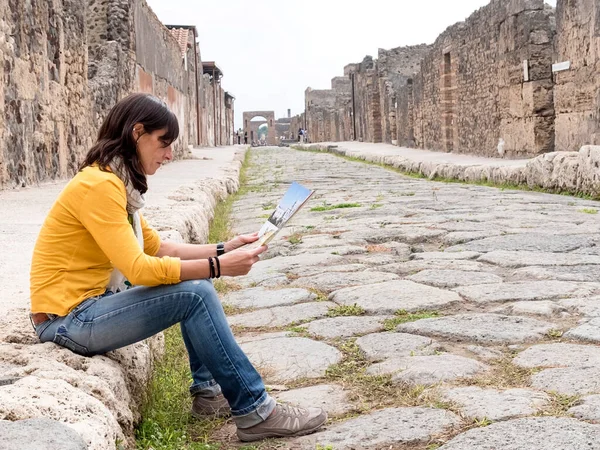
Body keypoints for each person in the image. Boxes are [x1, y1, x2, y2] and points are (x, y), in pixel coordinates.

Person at [29, 93, 327, 442]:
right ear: (137, 132)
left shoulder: (115, 181)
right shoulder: (99, 185)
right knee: (196, 291)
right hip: (67, 321)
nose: (169, 154)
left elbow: (157, 247)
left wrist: (223, 248)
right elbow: (140, 269)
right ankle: (256, 411)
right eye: (164, 143)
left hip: (84, 312)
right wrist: (218, 267)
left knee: (198, 281)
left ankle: (210, 394)